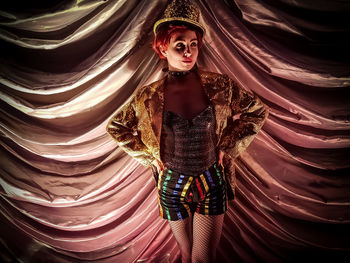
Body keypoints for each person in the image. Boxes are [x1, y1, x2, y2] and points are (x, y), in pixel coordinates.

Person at [106, 0, 268, 262]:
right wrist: (149, 156)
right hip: (171, 184)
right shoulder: (148, 97)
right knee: (184, 253)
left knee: (202, 258)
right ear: (163, 47)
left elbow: (256, 111)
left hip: (212, 181)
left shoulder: (219, 86)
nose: (188, 52)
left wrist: (229, 146)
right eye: (179, 45)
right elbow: (116, 127)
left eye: (193, 44)